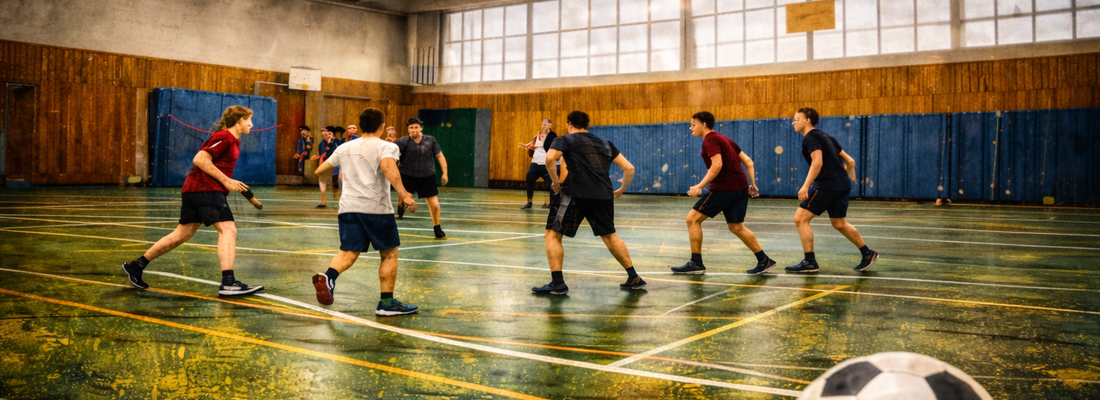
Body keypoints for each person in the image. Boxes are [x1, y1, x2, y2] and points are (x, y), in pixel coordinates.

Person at [121, 105, 264, 296]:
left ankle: (136, 266)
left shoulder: (234, 141)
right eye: (248, 120)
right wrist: (226, 180)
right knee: (228, 230)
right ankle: (229, 283)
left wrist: (229, 182)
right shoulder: (224, 136)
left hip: (197, 189)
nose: (252, 124)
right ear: (239, 120)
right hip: (205, 188)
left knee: (183, 233)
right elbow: (200, 159)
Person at [311, 107, 421, 316]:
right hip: (376, 209)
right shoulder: (387, 146)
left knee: (348, 251)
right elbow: (388, 168)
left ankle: (329, 277)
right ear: (381, 126)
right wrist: (405, 194)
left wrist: (333, 185)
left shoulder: (345, 147)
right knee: (389, 253)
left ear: (360, 126)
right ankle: (386, 304)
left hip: (348, 210)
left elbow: (319, 171)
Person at [535, 111, 645, 295]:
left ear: (568, 123)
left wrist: (555, 183)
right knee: (610, 236)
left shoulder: (564, 140)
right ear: (587, 124)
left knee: (553, 235)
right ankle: (633, 276)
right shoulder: (605, 144)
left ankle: (558, 283)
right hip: (602, 195)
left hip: (574, 195)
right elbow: (629, 168)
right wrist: (620, 190)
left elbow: (549, 159)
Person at [672, 111, 776, 275]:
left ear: (704, 124)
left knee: (692, 219)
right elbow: (748, 161)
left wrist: (700, 185)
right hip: (740, 187)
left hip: (725, 188)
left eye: (693, 124)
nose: (691, 128)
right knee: (736, 227)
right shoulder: (726, 139)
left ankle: (696, 262)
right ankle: (764, 260)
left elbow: (717, 165)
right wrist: (753, 185)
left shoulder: (710, 140)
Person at [787, 107, 879, 273]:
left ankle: (810, 262)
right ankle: (867, 254)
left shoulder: (811, 137)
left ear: (807, 120)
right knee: (839, 222)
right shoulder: (826, 136)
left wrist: (806, 185)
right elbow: (850, 161)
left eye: (796, 119)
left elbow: (817, 162)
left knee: (800, 218)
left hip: (828, 184)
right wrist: (849, 174)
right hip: (842, 183)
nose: (793, 122)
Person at [394, 118, 449, 239]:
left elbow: (440, 156)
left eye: (416, 127)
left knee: (435, 205)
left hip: (427, 176)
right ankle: (400, 204)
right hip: (407, 175)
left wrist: (445, 173)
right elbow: (388, 151)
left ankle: (437, 227)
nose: (414, 130)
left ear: (421, 128)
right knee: (407, 198)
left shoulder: (430, 140)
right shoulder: (402, 142)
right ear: (408, 129)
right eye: (411, 128)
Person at [518, 118, 557, 209]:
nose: (544, 126)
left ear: (550, 125)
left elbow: (551, 146)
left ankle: (552, 203)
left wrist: (546, 135)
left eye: (546, 124)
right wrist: (526, 146)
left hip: (545, 164)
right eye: (543, 124)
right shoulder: (538, 135)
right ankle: (529, 202)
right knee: (529, 179)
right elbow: (533, 145)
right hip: (535, 163)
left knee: (550, 184)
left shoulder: (552, 135)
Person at [310, 127, 340, 208]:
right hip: (327, 163)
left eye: (328, 134)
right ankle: (323, 202)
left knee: (337, 180)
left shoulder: (336, 141)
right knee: (321, 177)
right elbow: (322, 154)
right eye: (324, 135)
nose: (327, 136)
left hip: (337, 163)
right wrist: (318, 158)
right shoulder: (322, 144)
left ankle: (337, 193)